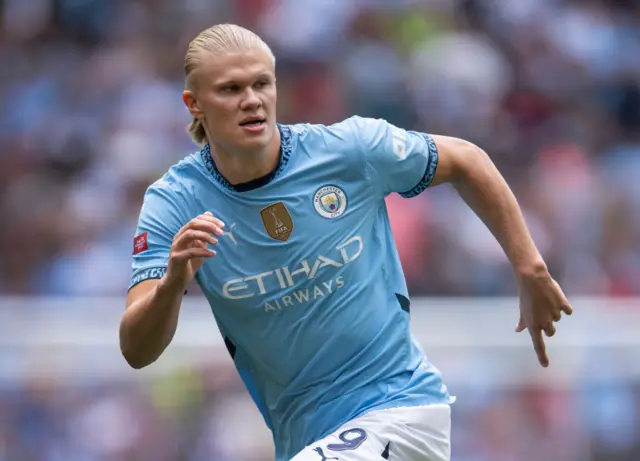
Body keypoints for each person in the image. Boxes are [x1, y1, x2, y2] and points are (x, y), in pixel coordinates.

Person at [119, 23, 573, 461]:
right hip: (304, 437)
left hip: (401, 409)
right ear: (194, 103)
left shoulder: (348, 151)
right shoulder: (174, 203)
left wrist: (529, 268)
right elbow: (137, 351)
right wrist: (172, 284)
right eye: (231, 90)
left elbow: (466, 159)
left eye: (262, 84)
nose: (252, 100)